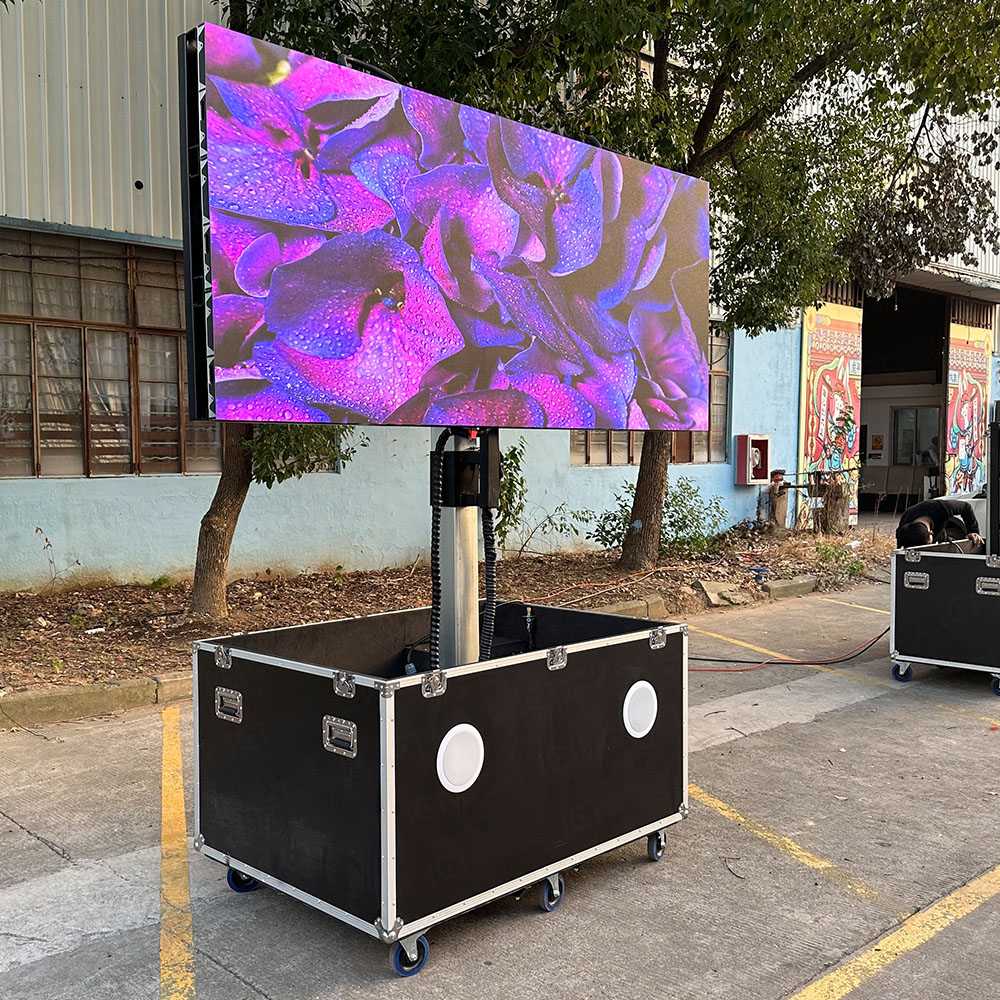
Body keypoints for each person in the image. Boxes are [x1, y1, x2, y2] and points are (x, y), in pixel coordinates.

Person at [895, 497, 984, 549]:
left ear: (931, 533)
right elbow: (900, 548)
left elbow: (966, 507)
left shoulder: (942, 508)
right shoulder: (905, 524)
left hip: (942, 539)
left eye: (928, 544)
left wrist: (973, 531)